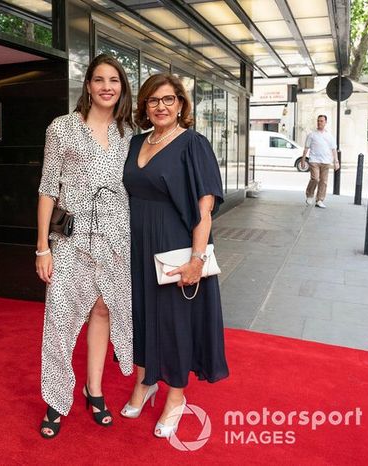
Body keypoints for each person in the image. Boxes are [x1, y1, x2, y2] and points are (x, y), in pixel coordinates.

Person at [121, 73, 229, 438]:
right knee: (139, 317)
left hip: (175, 246)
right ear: (144, 107)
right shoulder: (136, 142)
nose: (161, 107)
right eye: (153, 100)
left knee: (174, 321)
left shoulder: (193, 144)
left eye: (168, 100)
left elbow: (205, 207)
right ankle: (146, 380)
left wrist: (197, 259)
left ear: (181, 104)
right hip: (136, 246)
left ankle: (176, 396)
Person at [35, 54, 134, 439]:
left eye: (114, 80)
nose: (107, 86)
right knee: (58, 320)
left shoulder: (131, 133)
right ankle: (57, 399)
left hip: (116, 239)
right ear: (88, 86)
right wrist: (42, 246)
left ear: (121, 87)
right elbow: (47, 188)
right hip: (70, 241)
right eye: (99, 79)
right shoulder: (61, 128)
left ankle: (95, 390)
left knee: (103, 312)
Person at [301, 114, 339, 208]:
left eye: (321, 121)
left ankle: (319, 200)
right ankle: (309, 195)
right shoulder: (311, 135)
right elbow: (306, 148)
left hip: (326, 162)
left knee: (323, 182)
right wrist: (303, 160)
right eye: (318, 121)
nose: (319, 123)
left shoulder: (329, 136)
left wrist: (336, 161)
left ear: (325, 122)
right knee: (315, 178)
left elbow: (334, 149)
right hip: (314, 160)